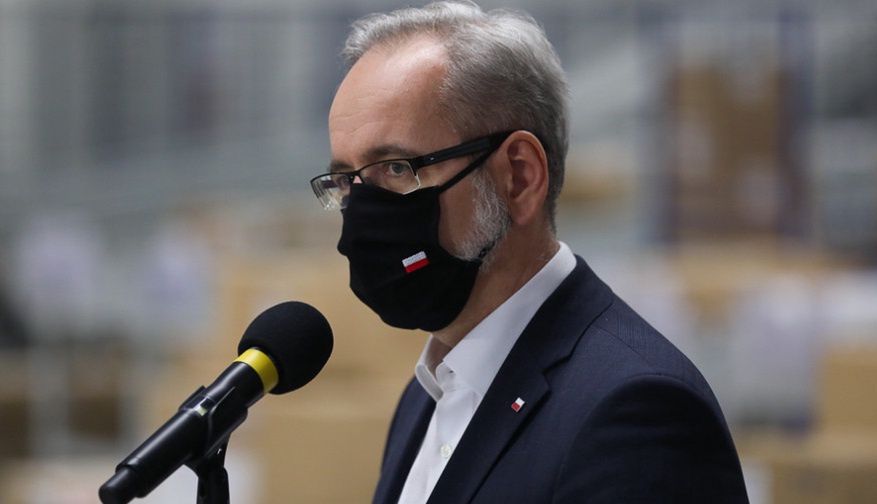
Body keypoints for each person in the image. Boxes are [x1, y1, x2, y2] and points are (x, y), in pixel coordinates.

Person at [310, 1, 749, 502]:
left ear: (518, 177)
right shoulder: (430, 393)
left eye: (396, 168)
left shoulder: (634, 412)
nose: (362, 210)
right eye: (344, 180)